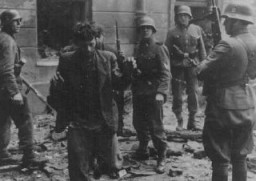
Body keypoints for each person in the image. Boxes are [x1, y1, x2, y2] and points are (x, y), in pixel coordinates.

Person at [54, 22, 130, 181]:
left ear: (96, 40)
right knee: (78, 167)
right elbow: (59, 94)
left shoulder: (108, 58)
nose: (88, 49)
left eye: (91, 44)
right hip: (78, 121)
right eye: (83, 46)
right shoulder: (67, 60)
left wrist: (129, 72)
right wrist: (57, 87)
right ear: (76, 43)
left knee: (109, 166)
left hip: (103, 119)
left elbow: (120, 84)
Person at [196, 3, 256, 181]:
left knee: (220, 158)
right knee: (240, 156)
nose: (225, 24)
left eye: (228, 20)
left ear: (237, 22)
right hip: (247, 103)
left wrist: (208, 58)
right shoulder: (254, 41)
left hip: (223, 106)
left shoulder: (228, 44)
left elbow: (201, 71)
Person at [0, 10, 43, 168]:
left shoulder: (4, 38)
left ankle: (2, 154)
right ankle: (29, 157)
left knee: (3, 120)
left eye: (20, 20)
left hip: (2, 89)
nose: (19, 24)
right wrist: (15, 93)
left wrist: (17, 66)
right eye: (15, 21)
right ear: (5, 22)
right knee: (25, 121)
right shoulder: (8, 41)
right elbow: (5, 71)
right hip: (8, 90)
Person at [130, 15, 171, 174]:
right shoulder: (138, 47)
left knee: (156, 126)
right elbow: (137, 71)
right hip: (140, 92)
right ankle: (143, 148)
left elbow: (166, 74)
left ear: (153, 30)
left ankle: (161, 156)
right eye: (142, 28)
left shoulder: (160, 48)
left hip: (154, 93)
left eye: (148, 28)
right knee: (139, 123)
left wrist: (161, 92)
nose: (145, 30)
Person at [165, 5, 206, 131]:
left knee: (193, 93)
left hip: (193, 66)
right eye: (180, 16)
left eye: (185, 16)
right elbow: (166, 52)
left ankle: (192, 121)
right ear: (177, 18)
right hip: (178, 67)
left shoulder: (197, 30)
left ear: (190, 17)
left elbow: (202, 49)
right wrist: (168, 68)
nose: (183, 18)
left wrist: (203, 64)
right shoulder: (172, 32)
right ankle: (179, 120)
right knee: (177, 95)